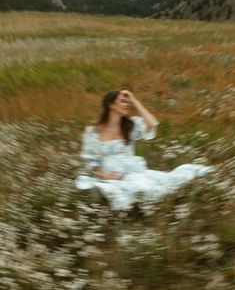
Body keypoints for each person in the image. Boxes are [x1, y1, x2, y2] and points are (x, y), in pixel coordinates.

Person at [74, 90, 215, 211]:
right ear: (111, 105)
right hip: (111, 176)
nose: (126, 104)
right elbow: (90, 161)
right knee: (120, 191)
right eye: (122, 101)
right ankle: (129, 209)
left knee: (158, 184)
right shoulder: (93, 132)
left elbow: (152, 123)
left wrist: (134, 100)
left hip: (133, 172)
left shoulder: (130, 126)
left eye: (127, 101)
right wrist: (105, 175)